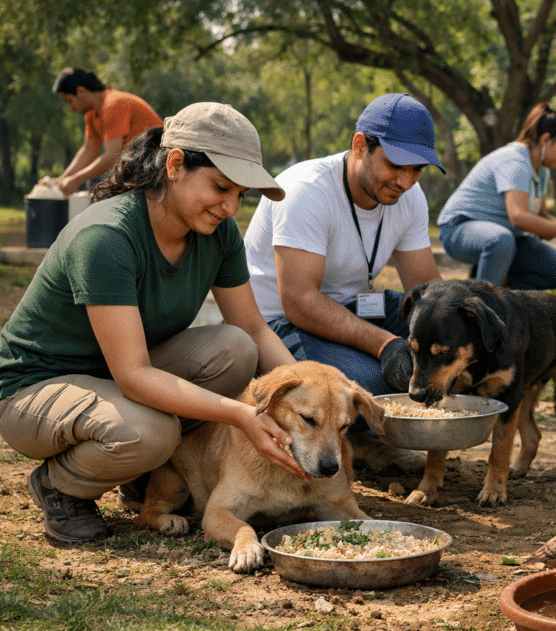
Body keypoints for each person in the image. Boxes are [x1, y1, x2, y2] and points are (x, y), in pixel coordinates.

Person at [0, 102, 299, 544]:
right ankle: (59, 485)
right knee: (150, 432)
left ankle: (146, 471)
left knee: (236, 348)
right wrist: (241, 415)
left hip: (118, 377)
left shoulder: (218, 234)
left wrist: (314, 391)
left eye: (242, 194)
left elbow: (254, 330)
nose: (231, 206)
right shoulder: (106, 238)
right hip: (34, 389)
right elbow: (134, 375)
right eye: (221, 187)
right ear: (175, 164)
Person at [244, 93, 445, 463]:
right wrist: (385, 346)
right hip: (280, 324)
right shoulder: (306, 190)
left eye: (417, 169)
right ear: (359, 145)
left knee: (440, 339)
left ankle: (362, 434)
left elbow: (427, 291)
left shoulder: (409, 196)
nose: (405, 180)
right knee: (371, 388)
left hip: (351, 309)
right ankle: (365, 440)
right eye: (396, 164)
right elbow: (300, 302)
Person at [437, 103, 556, 290]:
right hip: (458, 228)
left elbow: (541, 218)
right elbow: (518, 217)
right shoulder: (516, 161)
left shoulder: (542, 170)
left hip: (504, 239)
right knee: (500, 240)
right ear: (546, 140)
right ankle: (483, 306)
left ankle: (496, 291)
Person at [52, 67, 163, 196]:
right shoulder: (92, 114)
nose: (70, 107)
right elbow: (88, 151)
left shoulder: (112, 104)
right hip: (139, 171)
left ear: (81, 91)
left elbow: (112, 156)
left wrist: (76, 180)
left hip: (157, 171)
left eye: (69, 101)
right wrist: (61, 180)